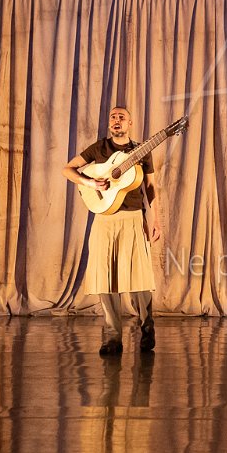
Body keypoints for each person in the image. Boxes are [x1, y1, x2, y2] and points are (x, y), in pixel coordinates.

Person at [64, 106, 162, 356]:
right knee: (105, 276)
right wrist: (89, 182)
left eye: (121, 117)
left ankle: (147, 327)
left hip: (132, 217)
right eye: (113, 117)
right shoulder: (99, 148)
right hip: (104, 218)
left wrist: (156, 219)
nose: (116, 120)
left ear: (130, 123)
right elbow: (68, 169)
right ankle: (113, 337)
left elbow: (150, 187)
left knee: (139, 276)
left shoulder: (142, 150)